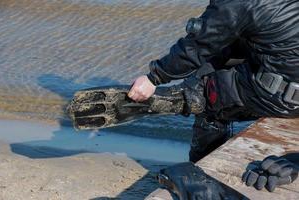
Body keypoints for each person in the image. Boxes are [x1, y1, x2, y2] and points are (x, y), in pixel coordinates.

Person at [128, 0, 299, 192]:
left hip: (283, 98)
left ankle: (202, 167)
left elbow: (195, 48)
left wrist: (154, 78)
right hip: (286, 76)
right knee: (224, 52)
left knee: (206, 95)